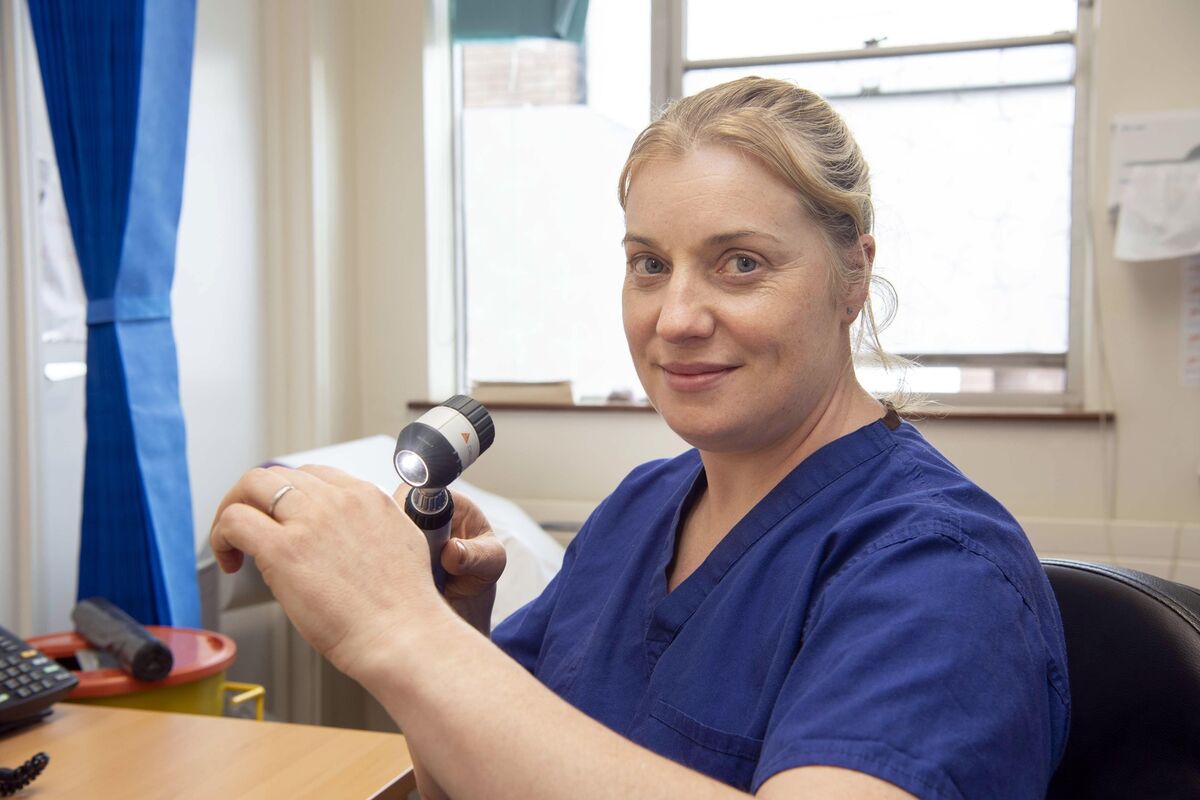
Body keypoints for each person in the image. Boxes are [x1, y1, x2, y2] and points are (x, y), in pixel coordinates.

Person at [210, 77, 1070, 799]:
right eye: (650, 264)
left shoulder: (939, 569)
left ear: (854, 276)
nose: (677, 318)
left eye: (741, 263)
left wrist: (400, 630)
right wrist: (447, 627)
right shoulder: (637, 511)